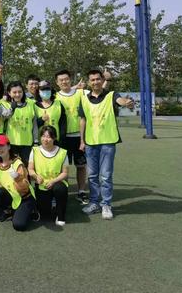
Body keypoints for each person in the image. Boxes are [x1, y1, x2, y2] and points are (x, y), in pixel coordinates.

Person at [79, 69, 134, 220]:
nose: (95, 82)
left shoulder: (112, 95)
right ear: (89, 82)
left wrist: (127, 103)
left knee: (106, 175)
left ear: (103, 80)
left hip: (108, 143)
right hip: (90, 143)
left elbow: (121, 101)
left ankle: (106, 204)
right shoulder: (84, 99)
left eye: (98, 79)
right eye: (92, 80)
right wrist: (82, 141)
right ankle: (94, 203)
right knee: (92, 175)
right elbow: (82, 120)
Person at [0, 134, 37, 231]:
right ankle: (9, 211)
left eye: (1, 146)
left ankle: (32, 210)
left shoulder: (18, 163)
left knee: (19, 225)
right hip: (11, 196)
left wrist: (17, 178)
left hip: (24, 197)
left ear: (9, 146)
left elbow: (25, 188)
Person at [54, 69, 89, 203]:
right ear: (57, 82)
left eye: (66, 79)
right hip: (62, 138)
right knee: (64, 168)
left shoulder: (81, 93)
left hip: (79, 137)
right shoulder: (55, 96)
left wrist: (106, 80)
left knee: (81, 166)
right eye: (61, 80)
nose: (64, 82)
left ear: (70, 79)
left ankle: (81, 192)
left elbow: (97, 92)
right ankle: (64, 192)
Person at [28, 126, 69, 226]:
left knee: (60, 189)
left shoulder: (63, 152)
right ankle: (51, 204)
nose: (45, 139)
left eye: (49, 137)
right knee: (45, 214)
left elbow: (65, 173)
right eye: (43, 136)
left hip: (57, 183)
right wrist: (36, 176)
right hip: (42, 184)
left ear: (54, 138)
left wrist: (54, 181)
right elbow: (30, 169)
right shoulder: (34, 150)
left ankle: (60, 216)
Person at [4, 81, 37, 166]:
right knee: (12, 168)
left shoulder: (31, 103)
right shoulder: (6, 104)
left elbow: (34, 124)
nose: (17, 94)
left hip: (27, 143)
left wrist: (36, 141)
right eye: (14, 92)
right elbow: (4, 117)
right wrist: (12, 108)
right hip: (11, 143)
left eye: (20, 92)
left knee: (26, 167)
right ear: (9, 93)